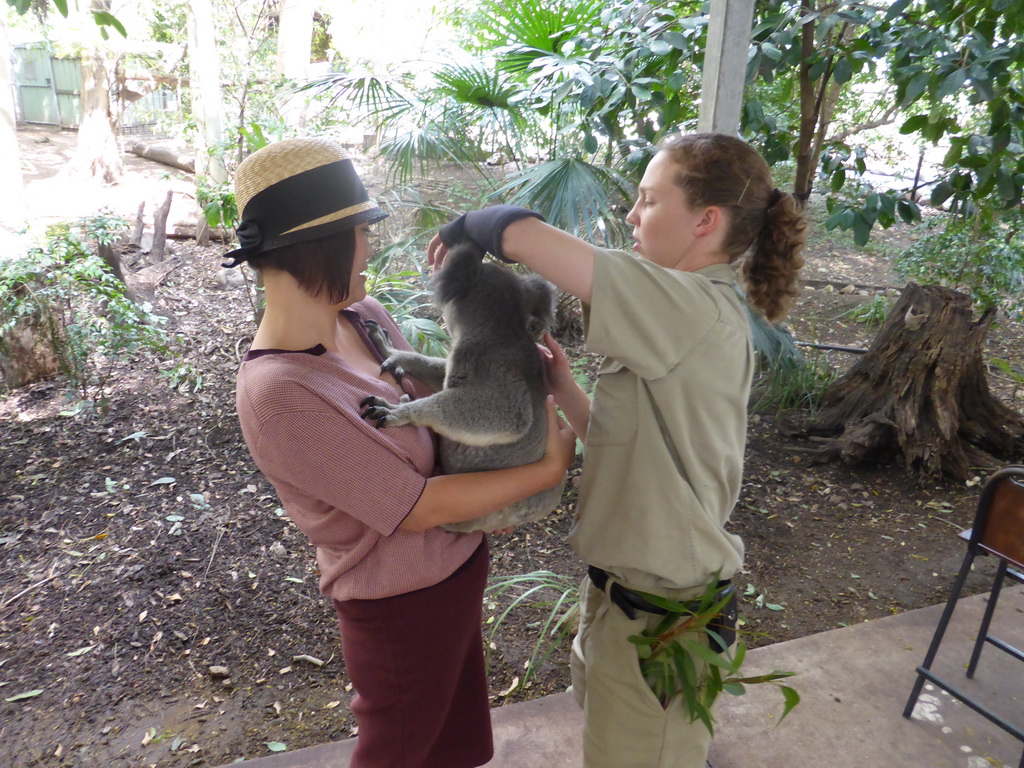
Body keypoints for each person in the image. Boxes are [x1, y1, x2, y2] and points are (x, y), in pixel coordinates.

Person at [427, 132, 806, 768]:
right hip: (622, 599)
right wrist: (567, 389)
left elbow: (520, 239)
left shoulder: (694, 305)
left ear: (704, 222)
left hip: (660, 617)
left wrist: (469, 226)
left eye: (650, 200)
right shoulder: (682, 313)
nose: (631, 215)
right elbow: (630, 440)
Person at [225, 137, 575, 768]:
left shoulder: (362, 314)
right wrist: (547, 468)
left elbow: (451, 395)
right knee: (400, 752)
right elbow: (413, 506)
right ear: (320, 244)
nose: (371, 244)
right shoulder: (279, 392)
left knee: (454, 744)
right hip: (400, 607)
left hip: (457, 566)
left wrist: (517, 372)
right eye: (361, 230)